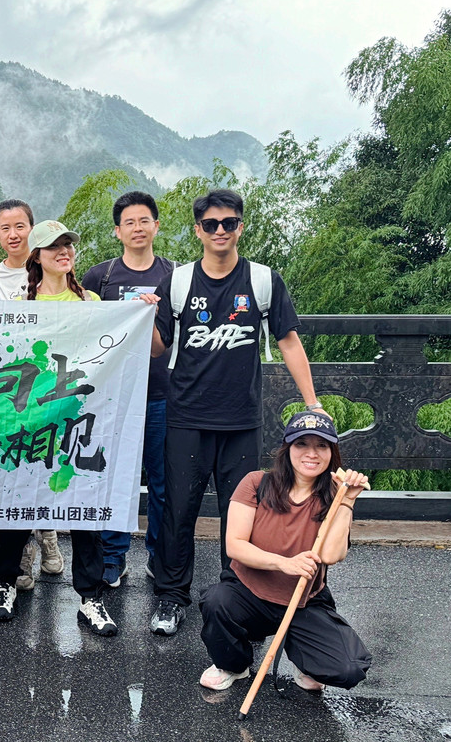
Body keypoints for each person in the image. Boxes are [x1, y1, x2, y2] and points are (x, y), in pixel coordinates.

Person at [149, 188, 324, 636]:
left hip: (241, 419)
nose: (220, 231)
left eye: (228, 223)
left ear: (240, 227)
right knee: (177, 512)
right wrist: (142, 316)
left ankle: (237, 595)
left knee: (243, 514)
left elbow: (288, 342)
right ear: (198, 231)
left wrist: (313, 403)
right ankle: (171, 597)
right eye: (211, 224)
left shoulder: (263, 281)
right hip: (186, 416)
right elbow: (157, 347)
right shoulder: (179, 282)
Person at [0, 219, 117, 635]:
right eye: (54, 246)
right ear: (37, 257)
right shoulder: (18, 303)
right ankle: (6, 583)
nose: (64, 252)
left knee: (83, 511)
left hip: (77, 421)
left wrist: (142, 309)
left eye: (68, 245)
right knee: (18, 505)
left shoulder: (91, 301)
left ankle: (91, 597)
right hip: (30, 423)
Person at [198, 411, 372, 692]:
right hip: (248, 593)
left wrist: (347, 500)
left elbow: (331, 556)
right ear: (287, 448)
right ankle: (233, 665)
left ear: (332, 452)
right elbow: (235, 545)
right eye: (302, 444)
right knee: (217, 602)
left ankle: (306, 660)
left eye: (321, 445)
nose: (311, 453)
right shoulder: (256, 483)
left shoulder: (334, 494)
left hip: (304, 600)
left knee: (348, 669)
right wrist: (284, 563)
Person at [81, 191, 174, 588]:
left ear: (156, 225)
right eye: (129, 222)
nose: (138, 228)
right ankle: (112, 557)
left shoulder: (176, 276)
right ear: (117, 231)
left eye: (144, 220)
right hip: (113, 397)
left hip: (161, 394)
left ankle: (160, 556)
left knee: (163, 483)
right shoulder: (99, 278)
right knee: (114, 479)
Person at [0, 200, 64, 589]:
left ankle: (47, 535)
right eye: (5, 227)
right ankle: (22, 554)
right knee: (14, 475)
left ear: (33, 230)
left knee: (43, 467)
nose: (13, 234)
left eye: (20, 226)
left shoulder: (53, 269)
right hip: (11, 393)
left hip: (50, 389)